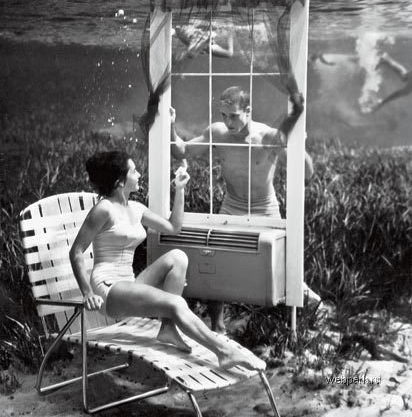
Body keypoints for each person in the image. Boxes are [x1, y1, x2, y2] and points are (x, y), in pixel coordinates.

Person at [69, 150, 265, 371]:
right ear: (119, 181)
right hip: (108, 289)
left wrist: (179, 189)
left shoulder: (136, 209)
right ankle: (224, 353)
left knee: (178, 257)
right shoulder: (104, 209)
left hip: (129, 284)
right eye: (134, 171)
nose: (139, 174)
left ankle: (168, 328)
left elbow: (173, 227)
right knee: (176, 303)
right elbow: (76, 252)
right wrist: (88, 293)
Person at [171, 86, 320, 333]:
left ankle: (296, 316)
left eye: (234, 116)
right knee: (215, 261)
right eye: (224, 115)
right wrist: (170, 125)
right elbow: (181, 151)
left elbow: (307, 173)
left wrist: (298, 146)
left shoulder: (267, 137)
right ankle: (217, 326)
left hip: (265, 208)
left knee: (282, 270)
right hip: (232, 206)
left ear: (248, 110)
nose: (228, 122)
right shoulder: (217, 132)